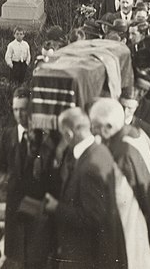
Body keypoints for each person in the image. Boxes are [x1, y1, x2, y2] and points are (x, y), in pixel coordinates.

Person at [90, 98, 150, 269]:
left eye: (96, 127)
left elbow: (120, 198)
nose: (94, 133)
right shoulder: (134, 134)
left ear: (109, 127)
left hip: (133, 217)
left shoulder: (122, 152)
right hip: (146, 206)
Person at [43, 108, 127, 269]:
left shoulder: (90, 166)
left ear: (68, 134)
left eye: (63, 134)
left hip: (87, 257)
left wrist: (57, 207)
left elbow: (93, 217)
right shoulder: (99, 151)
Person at [0, 88, 58, 268]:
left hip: (38, 212)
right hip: (15, 211)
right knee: (17, 259)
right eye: (15, 109)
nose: (19, 114)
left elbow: (53, 176)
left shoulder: (45, 137)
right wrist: (5, 181)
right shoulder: (9, 135)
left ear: (31, 110)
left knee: (37, 259)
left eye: (23, 109)